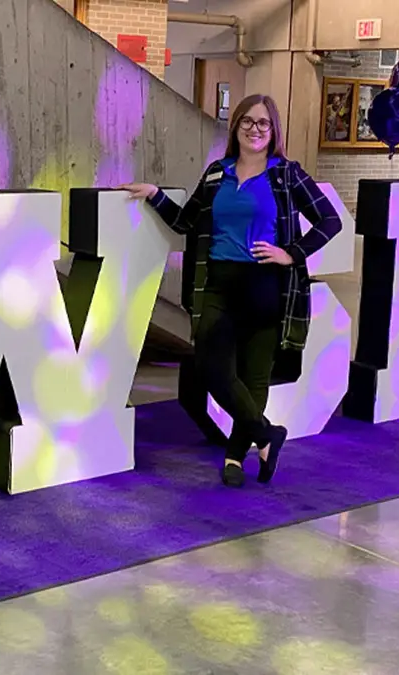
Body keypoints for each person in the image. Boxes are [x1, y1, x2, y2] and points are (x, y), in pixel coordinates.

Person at [121, 94, 342, 488]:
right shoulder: (215, 174)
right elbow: (186, 224)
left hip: (265, 284)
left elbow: (330, 220)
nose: (255, 129)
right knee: (211, 366)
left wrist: (292, 253)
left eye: (264, 124)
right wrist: (156, 195)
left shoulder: (286, 175)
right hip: (219, 284)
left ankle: (235, 457)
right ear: (236, 126)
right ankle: (267, 434)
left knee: (255, 377)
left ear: (273, 131)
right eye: (248, 122)